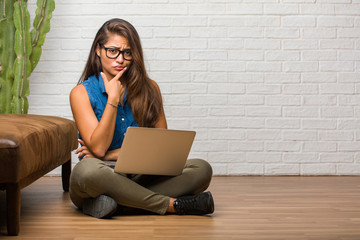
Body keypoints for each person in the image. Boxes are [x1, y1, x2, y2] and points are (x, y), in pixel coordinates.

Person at [69, 18, 214, 219]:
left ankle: (116, 203)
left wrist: (109, 155)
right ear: (98, 50)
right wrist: (112, 99)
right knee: (87, 171)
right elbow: (99, 147)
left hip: (142, 175)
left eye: (127, 53)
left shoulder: (150, 88)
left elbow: (161, 147)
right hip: (103, 175)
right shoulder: (81, 93)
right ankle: (171, 205)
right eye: (113, 51)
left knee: (201, 169)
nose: (120, 59)